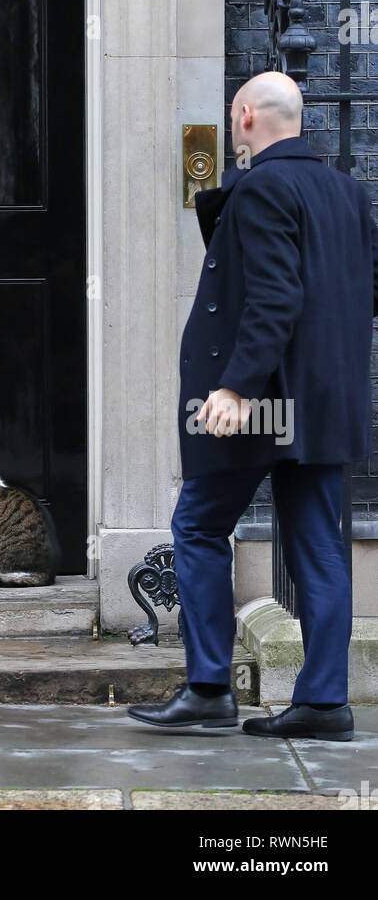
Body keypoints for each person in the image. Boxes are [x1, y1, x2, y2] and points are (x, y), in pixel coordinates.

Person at [128, 72, 377, 741]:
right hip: (324, 402)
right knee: (322, 550)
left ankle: (209, 686)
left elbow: (274, 297)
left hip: (264, 401)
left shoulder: (265, 186)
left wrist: (235, 387)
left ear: (244, 116)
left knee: (199, 527)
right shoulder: (348, 193)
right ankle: (324, 703)